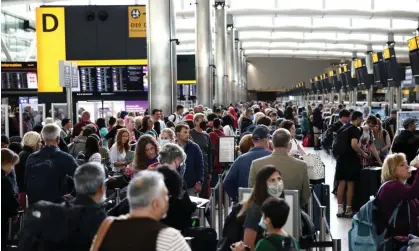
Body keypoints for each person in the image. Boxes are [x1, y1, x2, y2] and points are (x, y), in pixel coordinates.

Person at [91, 170, 191, 251]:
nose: (168, 200)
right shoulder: (169, 237)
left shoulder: (106, 226)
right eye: (165, 195)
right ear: (155, 203)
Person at [249, 128, 310, 206]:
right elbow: (306, 195)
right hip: (292, 211)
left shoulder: (256, 164)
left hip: (263, 212)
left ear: (272, 144)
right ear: (290, 146)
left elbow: (252, 192)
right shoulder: (302, 165)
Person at [25, 124, 79, 204]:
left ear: (42, 138)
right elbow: (81, 178)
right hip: (57, 205)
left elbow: (26, 181)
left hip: (35, 205)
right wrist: (72, 194)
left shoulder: (31, 157)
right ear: (58, 139)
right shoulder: (65, 157)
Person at [376, 153, 419, 248]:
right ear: (392, 170)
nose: (407, 167)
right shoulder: (391, 186)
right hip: (396, 243)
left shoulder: (401, 187)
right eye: (402, 165)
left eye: (406, 163)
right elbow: (413, 192)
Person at [237, 166, 285, 250]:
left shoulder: (275, 206)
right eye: (272, 180)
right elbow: (247, 245)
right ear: (263, 184)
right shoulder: (255, 209)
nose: (277, 183)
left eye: (279, 179)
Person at [224, 125, 272, 202]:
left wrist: (237, 197)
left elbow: (227, 182)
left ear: (253, 141)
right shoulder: (271, 157)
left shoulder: (241, 159)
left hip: (245, 202)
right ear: (266, 139)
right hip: (268, 202)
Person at [232, 198, 298, 251]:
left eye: (263, 215)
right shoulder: (293, 241)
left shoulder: (264, 244)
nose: (261, 219)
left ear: (267, 220)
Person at [335, 111, 366, 218]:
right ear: (357, 119)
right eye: (361, 119)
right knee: (350, 184)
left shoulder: (343, 128)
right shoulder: (354, 129)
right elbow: (354, 144)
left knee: (341, 183)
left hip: (341, 158)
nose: (361, 121)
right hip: (351, 159)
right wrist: (363, 153)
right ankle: (348, 209)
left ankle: (339, 209)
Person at [175, 124, 204, 196]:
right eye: (185, 132)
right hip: (176, 186)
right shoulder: (172, 147)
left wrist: (199, 182)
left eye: (188, 132)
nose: (188, 134)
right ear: (178, 134)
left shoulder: (194, 147)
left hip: (191, 186)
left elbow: (200, 165)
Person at [15, 131, 42, 206]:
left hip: (23, 192)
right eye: (39, 141)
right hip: (28, 194)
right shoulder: (29, 156)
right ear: (33, 142)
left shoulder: (23, 153)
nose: (41, 144)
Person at [190, 113, 212, 198]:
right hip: (193, 166)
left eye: (204, 120)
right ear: (195, 122)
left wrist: (210, 170)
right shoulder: (190, 133)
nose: (203, 122)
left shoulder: (206, 135)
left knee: (204, 193)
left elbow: (209, 153)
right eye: (201, 120)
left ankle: (203, 211)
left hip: (205, 167)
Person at [1, 148, 20, 246]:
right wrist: (14, 212)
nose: (12, 168)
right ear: (5, 162)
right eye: (12, 164)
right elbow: (9, 198)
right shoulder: (4, 180)